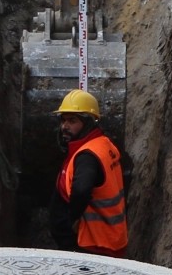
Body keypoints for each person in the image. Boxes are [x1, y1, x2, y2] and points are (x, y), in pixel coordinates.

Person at [49, 89, 129, 257]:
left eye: (72, 121)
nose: (65, 126)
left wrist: (72, 220)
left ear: (88, 123)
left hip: (93, 244)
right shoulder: (103, 144)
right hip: (109, 239)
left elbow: (81, 190)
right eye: (63, 120)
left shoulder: (88, 156)